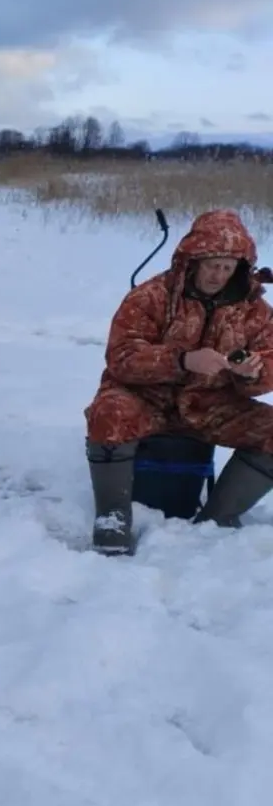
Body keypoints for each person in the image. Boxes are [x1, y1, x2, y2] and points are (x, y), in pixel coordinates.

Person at [84, 209, 273, 555]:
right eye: (212, 264)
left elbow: (269, 361)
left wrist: (253, 374)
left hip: (209, 405)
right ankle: (112, 518)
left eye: (228, 267)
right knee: (108, 412)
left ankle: (217, 520)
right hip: (145, 397)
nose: (219, 274)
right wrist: (182, 360)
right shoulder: (152, 295)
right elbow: (122, 357)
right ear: (193, 260)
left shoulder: (255, 311)